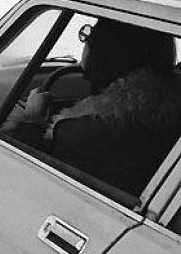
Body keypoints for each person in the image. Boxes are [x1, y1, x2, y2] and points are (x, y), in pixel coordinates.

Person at [12, 19, 181, 196]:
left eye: (91, 39)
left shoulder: (83, 132)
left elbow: (29, 181)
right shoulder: (169, 111)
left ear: (104, 53)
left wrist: (32, 121)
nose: (86, 44)